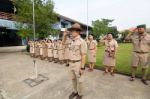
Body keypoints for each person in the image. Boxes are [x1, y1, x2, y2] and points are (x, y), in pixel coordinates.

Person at [63, 23, 87, 99]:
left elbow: (83, 55)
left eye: (72, 31)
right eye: (71, 31)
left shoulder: (82, 41)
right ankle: (75, 91)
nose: (71, 32)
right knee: (73, 79)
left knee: (80, 80)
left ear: (78, 32)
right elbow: (63, 43)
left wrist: (82, 68)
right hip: (71, 63)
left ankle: (80, 94)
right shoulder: (71, 40)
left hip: (78, 63)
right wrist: (64, 35)